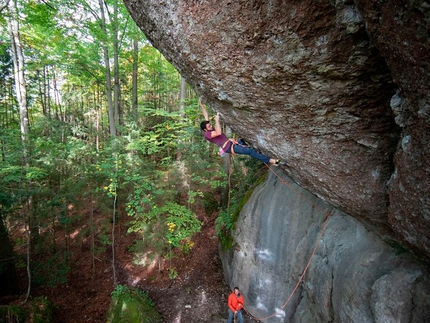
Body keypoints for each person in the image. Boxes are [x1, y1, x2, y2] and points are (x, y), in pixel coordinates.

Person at [199, 98, 281, 165]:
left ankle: (254, 153)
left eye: (210, 125)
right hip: (229, 147)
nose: (211, 126)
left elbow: (205, 115)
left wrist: (201, 104)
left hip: (231, 143)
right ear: (205, 129)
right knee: (250, 151)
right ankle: (272, 161)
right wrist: (217, 120)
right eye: (209, 126)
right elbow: (218, 133)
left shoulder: (208, 128)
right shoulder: (207, 134)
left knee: (242, 140)